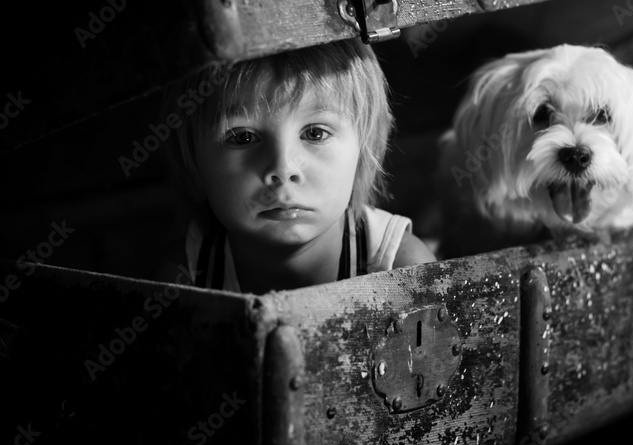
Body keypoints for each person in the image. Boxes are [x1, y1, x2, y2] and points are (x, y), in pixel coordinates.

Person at [156, 39, 435, 294]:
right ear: (192, 165)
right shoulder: (186, 277)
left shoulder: (402, 268)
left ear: (363, 152)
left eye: (315, 133)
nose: (283, 167)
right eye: (243, 137)